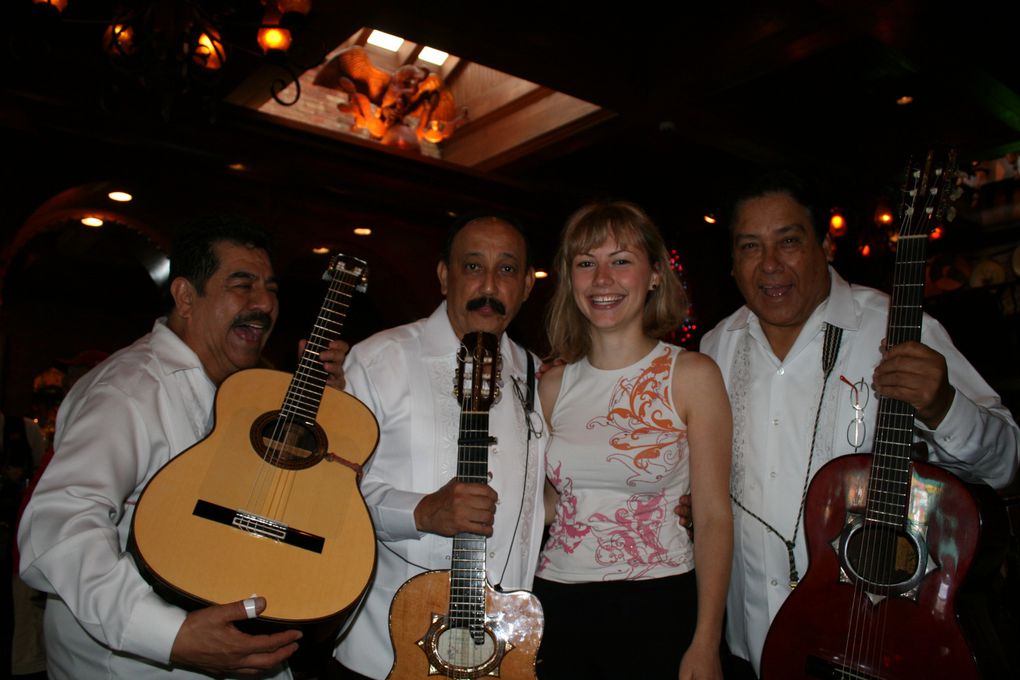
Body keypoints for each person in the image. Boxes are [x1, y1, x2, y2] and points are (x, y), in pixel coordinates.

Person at [680, 169, 1020, 677]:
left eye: (788, 241)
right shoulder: (713, 351)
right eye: (750, 247)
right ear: (733, 262)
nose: (770, 265)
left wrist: (944, 405)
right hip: (748, 644)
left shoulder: (897, 325)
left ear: (824, 244)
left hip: (876, 648)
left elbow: (1009, 463)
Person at [17, 216, 347, 680]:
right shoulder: (130, 388)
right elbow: (59, 526)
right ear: (186, 297)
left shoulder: (250, 392)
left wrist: (324, 420)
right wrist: (169, 633)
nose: (265, 303)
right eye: (242, 285)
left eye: (271, 288)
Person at [328, 214, 547, 680]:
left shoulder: (536, 375)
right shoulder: (378, 361)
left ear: (528, 284)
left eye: (506, 270)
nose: (489, 285)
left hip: (502, 652)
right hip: (381, 649)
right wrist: (422, 512)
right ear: (445, 276)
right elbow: (330, 492)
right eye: (472, 267)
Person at [534, 201, 733, 680]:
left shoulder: (692, 375)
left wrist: (706, 641)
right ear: (570, 279)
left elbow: (712, 517)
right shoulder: (551, 385)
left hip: (659, 603)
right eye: (586, 263)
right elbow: (542, 506)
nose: (603, 279)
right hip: (557, 600)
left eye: (620, 260)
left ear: (655, 275)